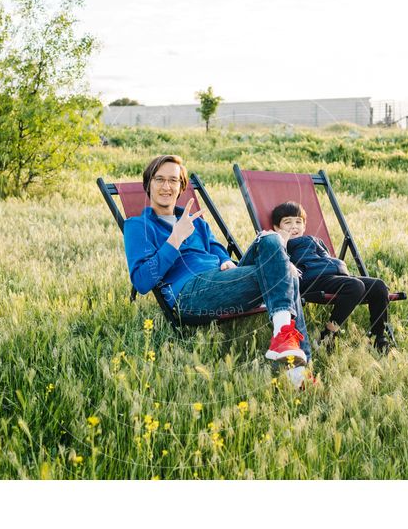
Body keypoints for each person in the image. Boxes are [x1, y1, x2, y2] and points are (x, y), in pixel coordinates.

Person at [123, 155, 313, 385]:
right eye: (159, 179)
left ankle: (283, 337)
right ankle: (299, 374)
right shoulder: (137, 226)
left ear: (181, 186)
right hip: (190, 293)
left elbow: (217, 250)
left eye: (173, 180)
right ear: (148, 184)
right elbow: (142, 282)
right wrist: (175, 239)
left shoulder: (197, 223)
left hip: (222, 278)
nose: (166, 186)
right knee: (285, 273)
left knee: (270, 238)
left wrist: (226, 260)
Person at [270, 201, 392, 354]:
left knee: (378, 286)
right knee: (355, 286)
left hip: (335, 275)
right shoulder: (277, 244)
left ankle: (379, 336)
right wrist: (281, 240)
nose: (294, 226)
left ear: (304, 226)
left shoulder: (314, 240)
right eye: (287, 222)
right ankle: (327, 335)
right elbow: (277, 263)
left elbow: (326, 256)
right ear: (276, 227)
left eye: (298, 222)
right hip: (312, 279)